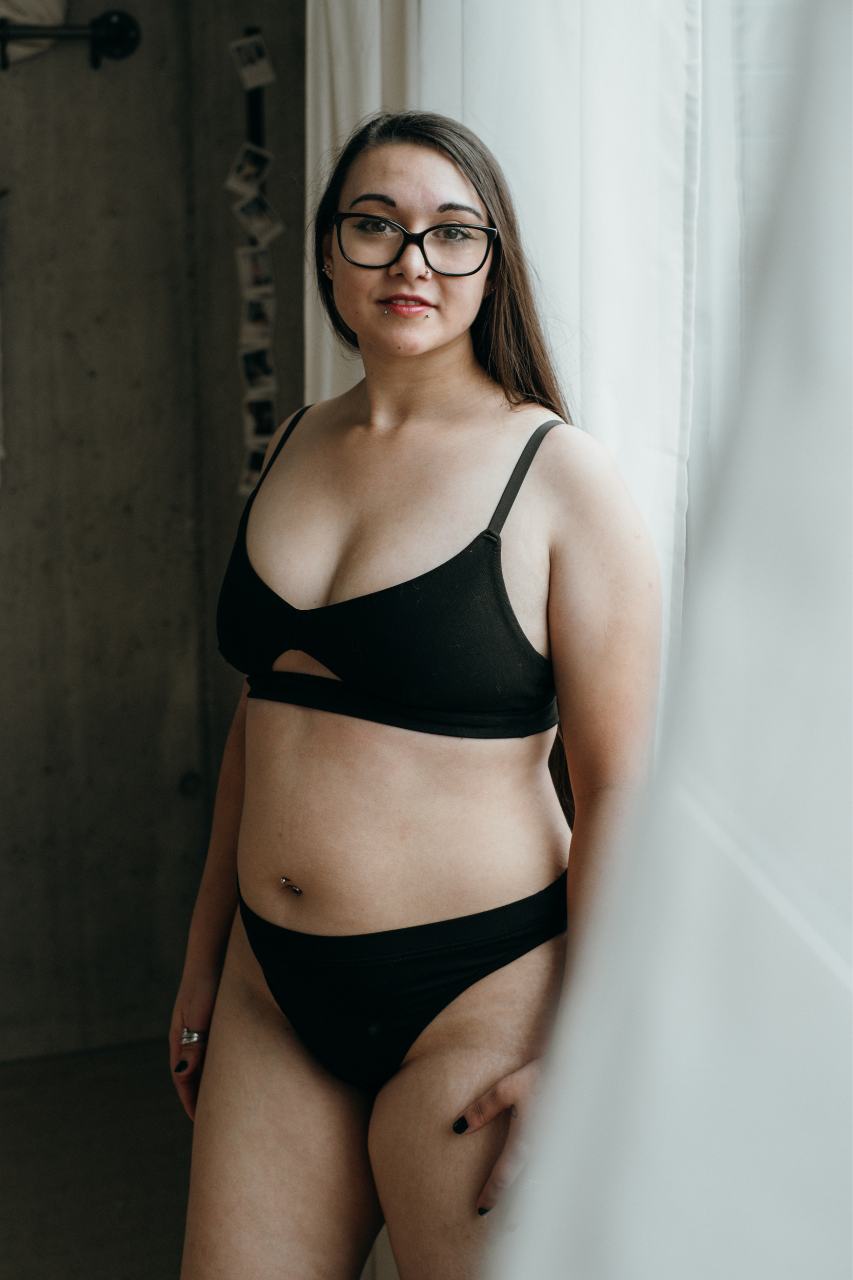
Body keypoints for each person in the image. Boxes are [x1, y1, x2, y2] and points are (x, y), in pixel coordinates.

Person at [173, 108, 661, 1279]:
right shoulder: (293, 439)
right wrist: (201, 961)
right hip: (271, 993)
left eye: (451, 233)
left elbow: (622, 791)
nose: (410, 261)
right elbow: (265, 718)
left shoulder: (560, 477)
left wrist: (582, 1050)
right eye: (376, 226)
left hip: (478, 993)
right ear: (330, 255)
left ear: (492, 264)